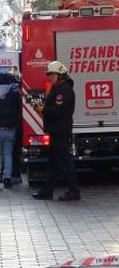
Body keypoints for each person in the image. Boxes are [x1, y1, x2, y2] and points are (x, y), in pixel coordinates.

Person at [33, 61, 80, 201]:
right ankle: (47, 191)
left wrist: (43, 110)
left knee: (65, 161)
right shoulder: (57, 89)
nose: (49, 77)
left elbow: (60, 111)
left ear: (60, 75)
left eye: (52, 74)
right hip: (55, 130)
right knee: (53, 162)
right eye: (49, 75)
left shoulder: (64, 90)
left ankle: (74, 191)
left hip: (60, 130)